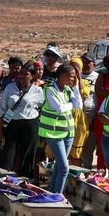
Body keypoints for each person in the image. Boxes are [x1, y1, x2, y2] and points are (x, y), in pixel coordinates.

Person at [39, 64, 82, 194]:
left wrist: (75, 88)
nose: (73, 79)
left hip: (68, 133)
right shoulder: (49, 89)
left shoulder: (69, 90)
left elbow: (79, 106)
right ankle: (58, 196)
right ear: (62, 76)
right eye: (71, 77)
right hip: (53, 134)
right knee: (64, 168)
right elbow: (59, 108)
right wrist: (71, 104)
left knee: (59, 167)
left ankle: (52, 193)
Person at [0, 63, 44, 177]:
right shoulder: (10, 88)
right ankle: (5, 180)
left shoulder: (37, 91)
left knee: (27, 155)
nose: (22, 76)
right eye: (21, 73)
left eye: (26, 74)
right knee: (9, 154)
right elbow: (2, 109)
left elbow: (41, 107)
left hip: (30, 124)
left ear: (32, 76)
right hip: (13, 124)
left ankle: (25, 181)